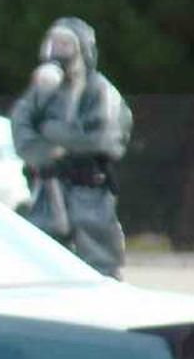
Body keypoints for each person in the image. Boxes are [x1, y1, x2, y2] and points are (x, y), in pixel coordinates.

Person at [10, 16, 132, 277]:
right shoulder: (42, 92)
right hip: (46, 191)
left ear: (82, 48)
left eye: (65, 44)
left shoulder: (100, 91)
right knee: (41, 255)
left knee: (100, 258)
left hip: (89, 191)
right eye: (53, 43)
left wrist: (51, 131)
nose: (57, 51)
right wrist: (48, 150)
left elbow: (101, 137)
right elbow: (22, 132)